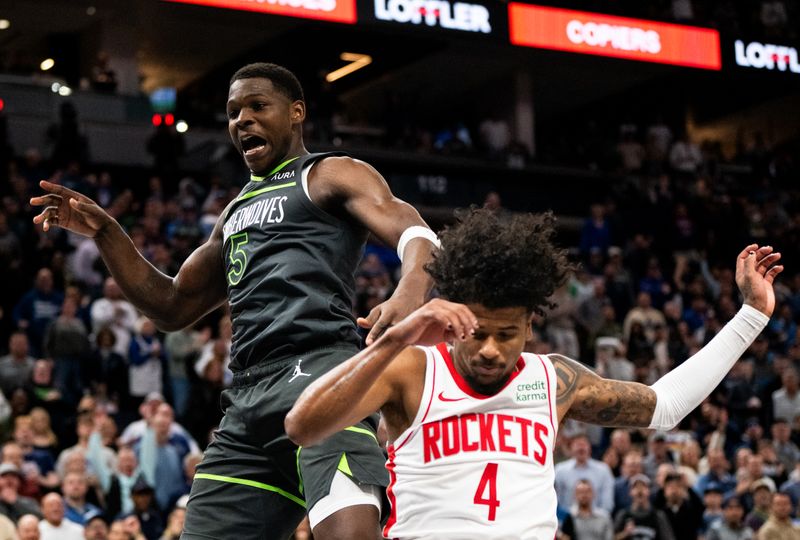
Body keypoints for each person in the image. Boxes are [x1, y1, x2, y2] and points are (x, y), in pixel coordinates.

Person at [32, 62, 437, 539]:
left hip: (322, 378)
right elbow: (172, 304)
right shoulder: (234, 211)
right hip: (245, 404)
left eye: (258, 106)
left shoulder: (329, 173)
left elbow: (415, 231)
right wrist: (106, 232)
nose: (241, 119)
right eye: (232, 112)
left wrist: (409, 293)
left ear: (296, 113)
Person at [285, 208, 783, 539]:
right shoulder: (414, 369)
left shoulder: (554, 379)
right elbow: (302, 427)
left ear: (530, 323)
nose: (490, 349)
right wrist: (399, 336)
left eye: (507, 333)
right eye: (477, 332)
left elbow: (665, 407)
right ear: (454, 313)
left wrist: (751, 317)